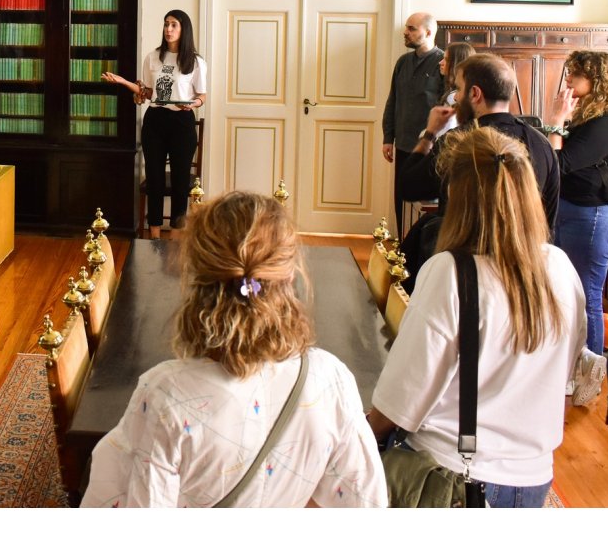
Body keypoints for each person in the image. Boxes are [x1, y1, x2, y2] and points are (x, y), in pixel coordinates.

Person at [81, 191, 386, 507]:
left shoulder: (166, 396)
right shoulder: (331, 380)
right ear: (291, 274)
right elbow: (365, 501)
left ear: (194, 276)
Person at [368, 126, 586, 508]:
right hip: (533, 475)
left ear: (457, 197)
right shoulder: (560, 268)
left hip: (451, 476)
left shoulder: (450, 272)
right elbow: (568, 365)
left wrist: (358, 436)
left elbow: (402, 399)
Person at [396, 53, 559, 292]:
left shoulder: (459, 142)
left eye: (459, 89)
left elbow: (408, 187)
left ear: (475, 94)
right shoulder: (541, 144)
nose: (456, 98)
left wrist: (431, 134)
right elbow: (550, 217)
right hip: (523, 270)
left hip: (463, 272)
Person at [542, 50, 608, 358]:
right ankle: (568, 364)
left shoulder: (605, 126)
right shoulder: (587, 120)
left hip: (592, 217)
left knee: (585, 295)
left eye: (575, 74)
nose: (567, 79)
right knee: (567, 292)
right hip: (574, 211)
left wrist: (555, 122)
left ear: (596, 82)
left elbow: (557, 165)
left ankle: (591, 372)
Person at [102, 9, 207, 239]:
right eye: (166, 24)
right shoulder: (153, 57)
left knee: (181, 182)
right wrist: (124, 82)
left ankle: (177, 239)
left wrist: (193, 103)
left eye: (174, 25)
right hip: (155, 122)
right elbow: (147, 93)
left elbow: (202, 95)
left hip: (182, 122)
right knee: (155, 179)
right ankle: (155, 237)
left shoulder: (195, 61)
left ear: (183, 29)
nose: (168, 29)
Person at [381, 12, 445, 236]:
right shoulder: (402, 62)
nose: (405, 32)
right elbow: (393, 101)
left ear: (427, 33)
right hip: (403, 145)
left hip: (429, 148)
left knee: (423, 204)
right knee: (401, 197)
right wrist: (388, 138)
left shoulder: (442, 63)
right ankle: (400, 249)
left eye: (411, 29)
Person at [435, 41, 476, 137]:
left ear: (457, 63)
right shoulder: (464, 92)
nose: (440, 62)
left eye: (446, 59)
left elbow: (443, 135)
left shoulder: (453, 97)